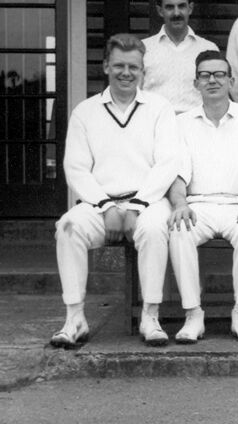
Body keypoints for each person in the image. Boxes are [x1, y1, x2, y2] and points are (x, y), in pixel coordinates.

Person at [51, 34, 179, 348]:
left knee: (152, 229)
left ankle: (150, 316)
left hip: (147, 201)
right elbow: (77, 168)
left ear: (142, 71)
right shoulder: (86, 111)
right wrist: (106, 207)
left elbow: (167, 163)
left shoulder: (159, 108)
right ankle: (75, 318)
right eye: (119, 65)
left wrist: (136, 206)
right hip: (100, 205)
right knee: (67, 227)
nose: (126, 73)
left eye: (133, 67)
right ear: (106, 66)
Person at [166, 51, 238, 344]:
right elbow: (177, 174)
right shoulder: (181, 123)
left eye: (219, 74)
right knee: (179, 231)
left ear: (231, 80)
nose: (212, 80)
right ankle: (193, 314)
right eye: (205, 75)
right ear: (195, 82)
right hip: (199, 204)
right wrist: (180, 203)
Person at [142, 0, 219, 114]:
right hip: (154, 127)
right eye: (170, 7)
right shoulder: (143, 49)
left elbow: (217, 95)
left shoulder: (208, 49)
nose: (176, 13)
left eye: (181, 6)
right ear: (160, 11)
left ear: (190, 8)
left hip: (196, 128)